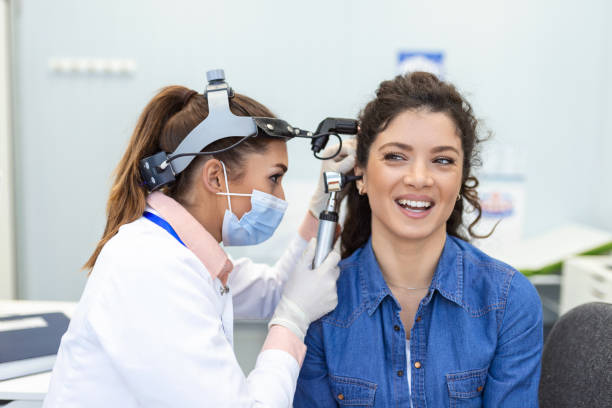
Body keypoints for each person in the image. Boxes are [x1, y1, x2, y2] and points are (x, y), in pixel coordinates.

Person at [43, 82, 355, 407]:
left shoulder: (182, 252)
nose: (281, 198)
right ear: (215, 178)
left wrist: (320, 208)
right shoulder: (152, 268)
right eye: (274, 179)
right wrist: (292, 321)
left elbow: (277, 290)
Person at [294, 72, 543, 407]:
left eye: (442, 160)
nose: (419, 178)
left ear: (460, 180)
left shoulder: (508, 302)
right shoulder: (320, 306)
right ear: (362, 176)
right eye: (396, 156)